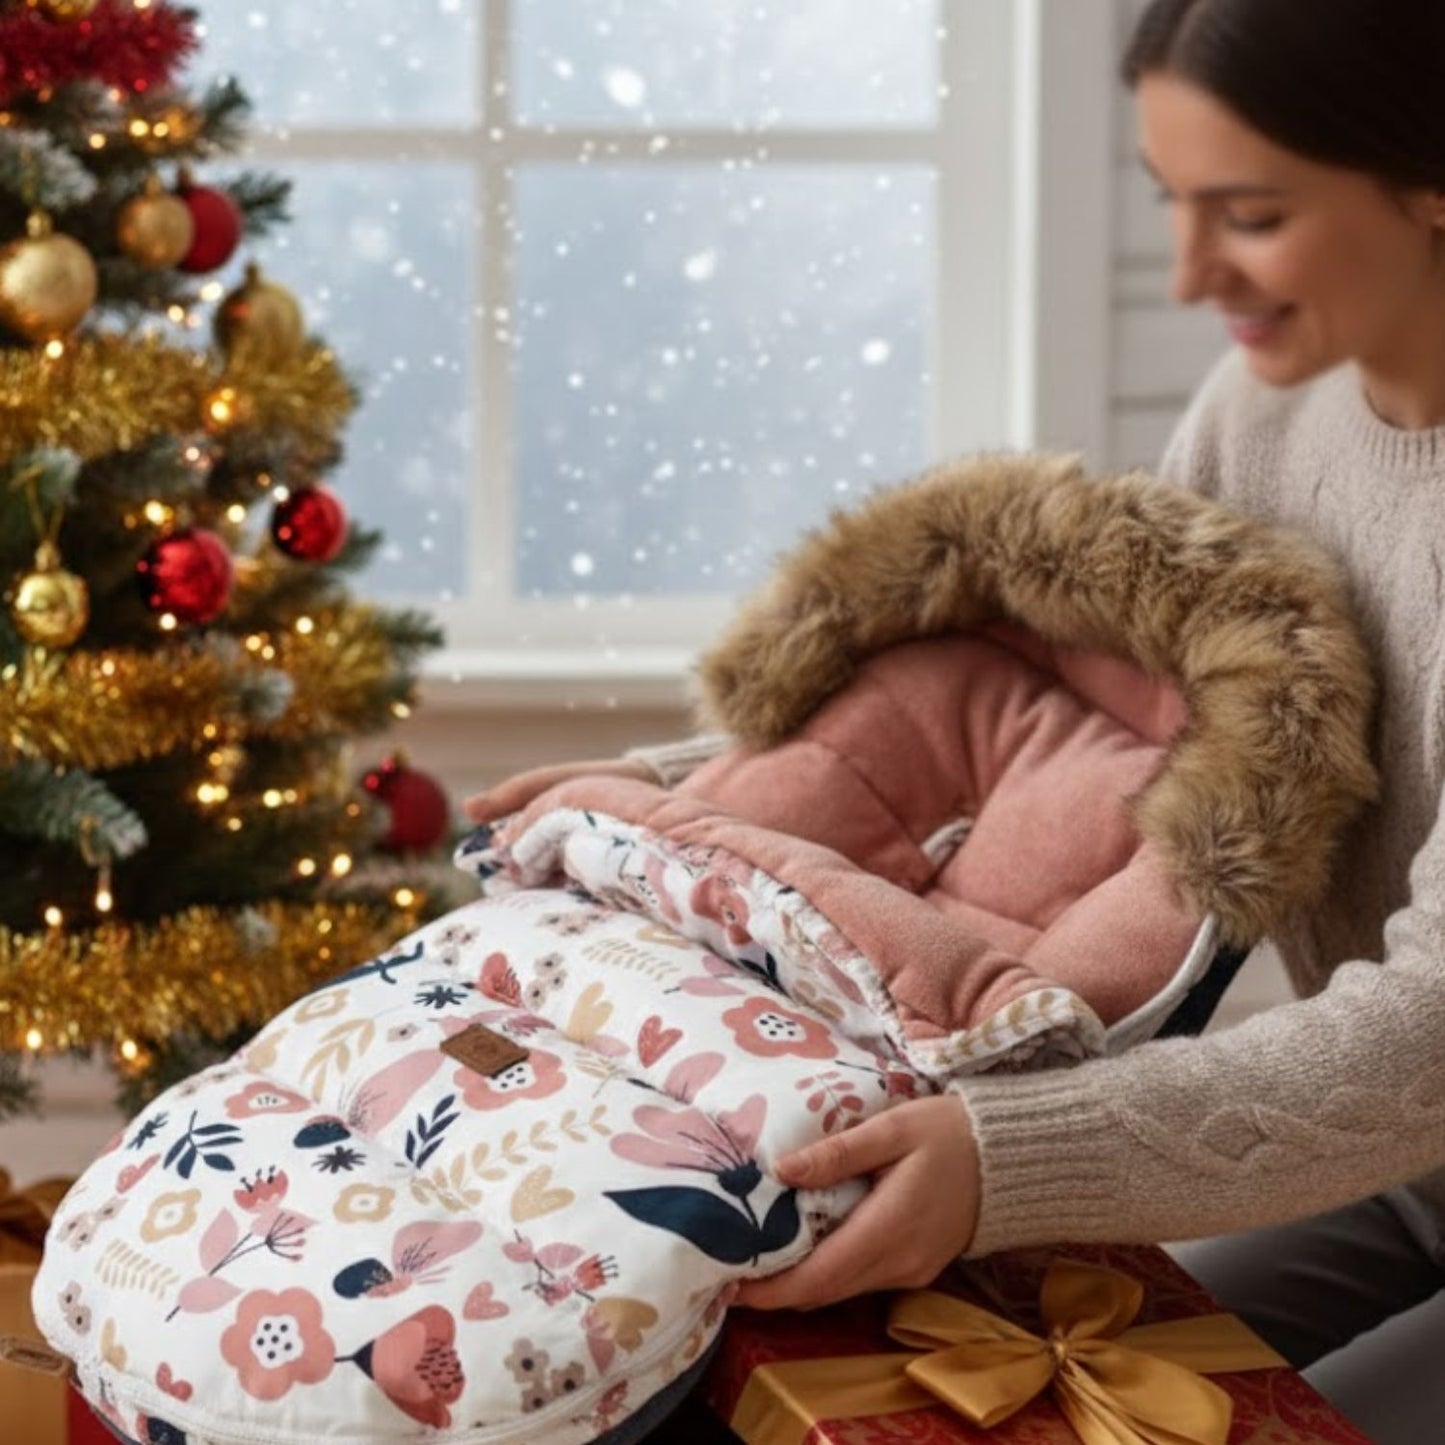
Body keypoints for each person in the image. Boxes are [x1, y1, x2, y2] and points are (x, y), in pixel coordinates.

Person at [466, 2, 1445, 1437]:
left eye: (1248, 214)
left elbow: (1431, 1033)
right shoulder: (1265, 411)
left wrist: (1008, 1155)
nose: (1187, 275)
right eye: (1173, 204)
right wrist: (679, 792)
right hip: (1402, 1168)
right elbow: (1103, 708)